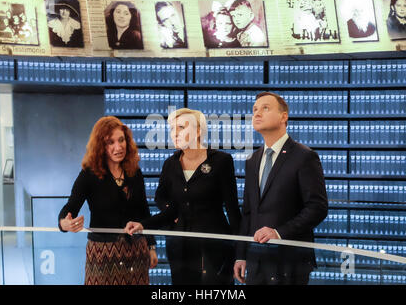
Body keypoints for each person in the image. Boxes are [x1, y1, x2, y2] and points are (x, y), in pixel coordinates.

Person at [125, 108, 241, 285]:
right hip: (179, 247)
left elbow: (233, 210)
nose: (174, 133)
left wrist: (241, 254)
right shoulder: (170, 164)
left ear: (198, 131)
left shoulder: (221, 161)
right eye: (172, 128)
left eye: (181, 127)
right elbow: (164, 202)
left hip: (215, 247)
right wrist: (145, 224)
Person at [233, 92, 328, 285]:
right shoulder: (252, 160)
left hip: (290, 261)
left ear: (284, 116)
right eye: (255, 110)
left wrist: (279, 232)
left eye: (265, 108)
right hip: (257, 261)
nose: (257, 113)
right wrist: (241, 254)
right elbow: (249, 212)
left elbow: (317, 208)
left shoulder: (304, 156)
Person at [58, 116, 157, 285]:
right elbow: (70, 206)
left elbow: (143, 211)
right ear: (101, 146)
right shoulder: (89, 174)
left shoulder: (135, 172)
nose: (118, 147)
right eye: (110, 142)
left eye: (121, 140)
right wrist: (64, 223)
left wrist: (151, 247)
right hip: (102, 256)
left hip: (136, 254)